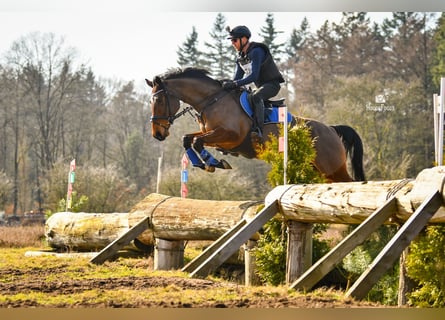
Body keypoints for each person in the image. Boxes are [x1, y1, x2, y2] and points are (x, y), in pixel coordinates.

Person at [223, 25, 285, 138]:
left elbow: (253, 76)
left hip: (272, 85)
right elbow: (237, 78)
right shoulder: (240, 57)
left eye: (235, 40)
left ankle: (258, 130)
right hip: (260, 86)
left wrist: (235, 84)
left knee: (256, 96)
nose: (232, 43)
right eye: (231, 41)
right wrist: (226, 86)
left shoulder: (257, 51)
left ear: (244, 39)